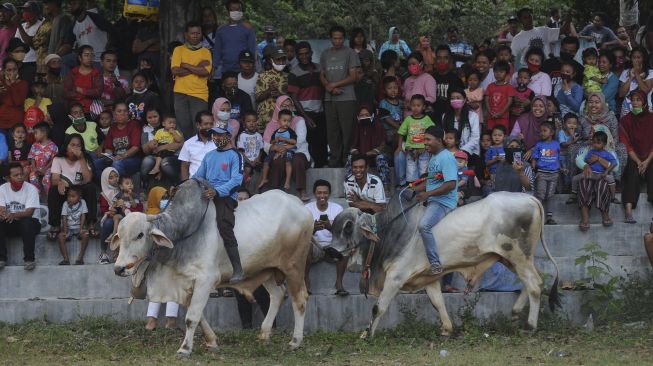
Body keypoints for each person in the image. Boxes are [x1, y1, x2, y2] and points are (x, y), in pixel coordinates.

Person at [194, 126, 245, 284]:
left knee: (224, 225)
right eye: (214, 135)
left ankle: (238, 268)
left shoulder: (235, 155)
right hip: (207, 194)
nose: (215, 137)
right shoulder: (209, 155)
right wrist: (183, 186)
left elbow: (236, 181)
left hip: (226, 196)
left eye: (219, 134)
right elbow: (197, 176)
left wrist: (217, 191)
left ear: (228, 136)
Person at [413, 126, 457, 274]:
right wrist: (412, 191)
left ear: (439, 140)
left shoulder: (447, 157)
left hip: (443, 202)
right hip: (433, 200)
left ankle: (435, 263)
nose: (425, 143)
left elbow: (451, 184)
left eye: (428, 140)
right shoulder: (433, 158)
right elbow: (430, 182)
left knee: (424, 225)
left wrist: (427, 194)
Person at [321, 26, 360, 167]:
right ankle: (334, 160)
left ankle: (346, 160)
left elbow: (354, 76)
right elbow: (322, 75)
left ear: (344, 39)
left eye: (340, 38)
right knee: (332, 131)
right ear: (331, 38)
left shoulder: (350, 53)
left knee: (347, 130)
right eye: (334, 38)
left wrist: (334, 85)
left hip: (347, 97)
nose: (337, 41)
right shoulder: (325, 54)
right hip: (329, 98)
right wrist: (328, 86)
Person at [47, 133, 96, 240]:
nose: (75, 148)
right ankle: (55, 226)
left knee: (91, 187)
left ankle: (91, 224)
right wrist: (59, 183)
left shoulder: (85, 158)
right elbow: (55, 178)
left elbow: (88, 179)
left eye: (78, 145)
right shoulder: (58, 159)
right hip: (66, 191)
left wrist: (81, 158)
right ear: (66, 146)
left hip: (80, 190)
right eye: (72, 145)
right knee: (53, 190)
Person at [261, 96, 311, 201]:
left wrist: (283, 148)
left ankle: (302, 190)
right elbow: (265, 143)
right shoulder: (271, 124)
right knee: (277, 160)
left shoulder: (298, 120)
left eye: (289, 105)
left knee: (297, 160)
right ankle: (274, 190)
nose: (287, 108)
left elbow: (300, 140)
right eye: (284, 106)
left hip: (297, 150)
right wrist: (275, 147)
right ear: (278, 107)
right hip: (279, 152)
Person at [288, 41, 327, 168]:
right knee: (309, 143)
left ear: (311, 53)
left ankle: (322, 168)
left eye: (306, 53)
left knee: (322, 142)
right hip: (305, 114)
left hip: (321, 112)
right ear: (297, 55)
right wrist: (305, 117)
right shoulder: (294, 73)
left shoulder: (320, 68)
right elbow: (294, 98)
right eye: (301, 54)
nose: (304, 56)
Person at [305, 180, 347, 295]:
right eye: (319, 193)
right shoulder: (307, 209)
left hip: (332, 247)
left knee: (345, 247)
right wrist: (313, 229)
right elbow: (302, 234)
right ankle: (306, 282)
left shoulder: (337, 208)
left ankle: (339, 284)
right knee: (305, 246)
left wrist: (330, 227)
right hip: (315, 246)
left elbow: (342, 234)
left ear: (329, 194)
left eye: (325, 193)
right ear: (314, 194)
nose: (322, 196)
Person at [171, 21, 212, 139]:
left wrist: (186, 65)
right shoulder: (178, 50)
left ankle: (198, 153)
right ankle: (184, 153)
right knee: (183, 125)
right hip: (180, 92)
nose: (195, 35)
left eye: (198, 33)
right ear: (186, 35)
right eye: (192, 33)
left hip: (199, 94)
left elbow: (205, 72)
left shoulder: (206, 52)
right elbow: (175, 71)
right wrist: (197, 66)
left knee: (200, 126)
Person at [620, 90, 653, 224]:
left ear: (644, 102)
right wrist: (639, 161)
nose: (635, 103)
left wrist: (646, 162)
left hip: (650, 156)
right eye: (633, 100)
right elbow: (626, 144)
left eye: (638, 100)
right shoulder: (625, 120)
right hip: (633, 156)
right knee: (632, 173)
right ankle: (628, 211)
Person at [0, 163, 40, 271]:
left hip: (31, 224)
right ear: (8, 178)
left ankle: (29, 259)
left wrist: (13, 214)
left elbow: (29, 212)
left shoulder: (31, 189)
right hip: (11, 223)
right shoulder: (2, 189)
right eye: (16, 175)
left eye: (21, 174)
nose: (20, 177)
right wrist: (4, 214)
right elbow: (1, 209)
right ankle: (1, 258)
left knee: (26, 222)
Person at [577, 131, 618, 231]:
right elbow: (580, 160)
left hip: (602, 176)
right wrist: (586, 165)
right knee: (583, 182)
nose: (595, 144)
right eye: (593, 141)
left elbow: (615, 167)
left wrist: (599, 159)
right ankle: (585, 216)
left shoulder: (610, 152)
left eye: (598, 142)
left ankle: (605, 213)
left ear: (604, 143)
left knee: (601, 185)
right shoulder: (588, 150)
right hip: (590, 174)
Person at [347, 104, 390, 188]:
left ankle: (386, 187)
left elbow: (383, 144)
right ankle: (350, 185)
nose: (364, 117)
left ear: (372, 115)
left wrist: (373, 151)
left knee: (381, 158)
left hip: (374, 155)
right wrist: (356, 152)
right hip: (360, 156)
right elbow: (352, 146)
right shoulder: (356, 127)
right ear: (357, 117)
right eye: (361, 115)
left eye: (367, 115)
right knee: (350, 158)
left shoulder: (377, 125)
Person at [397, 94, 435, 184]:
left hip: (424, 149)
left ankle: (423, 185)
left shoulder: (426, 119)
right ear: (410, 106)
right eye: (413, 105)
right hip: (411, 150)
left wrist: (426, 146)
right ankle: (412, 186)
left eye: (418, 106)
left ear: (423, 107)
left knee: (424, 167)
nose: (415, 108)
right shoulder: (408, 119)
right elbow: (401, 133)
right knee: (411, 169)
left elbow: (432, 132)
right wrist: (399, 147)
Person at [213, 0, 256, 79]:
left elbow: (252, 50)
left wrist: (252, 68)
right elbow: (217, 51)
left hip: (245, 71)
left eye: (238, 9)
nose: (236, 11)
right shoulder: (221, 30)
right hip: (226, 70)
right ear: (227, 12)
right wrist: (213, 68)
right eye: (233, 9)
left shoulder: (248, 28)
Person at [65, 0, 111, 70]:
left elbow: (111, 31)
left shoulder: (95, 17)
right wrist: (56, 55)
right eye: (70, 4)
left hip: (99, 59)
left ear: (83, 5)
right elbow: (68, 44)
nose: (71, 6)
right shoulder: (73, 24)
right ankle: (67, 80)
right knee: (63, 61)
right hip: (84, 59)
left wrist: (109, 49)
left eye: (74, 3)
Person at [98, 102, 141, 177]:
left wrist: (122, 156)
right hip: (115, 158)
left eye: (125, 111)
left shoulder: (134, 125)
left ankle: (121, 185)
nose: (123, 113)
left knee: (116, 163)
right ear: (114, 114)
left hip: (132, 159)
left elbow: (135, 147)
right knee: (96, 164)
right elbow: (108, 147)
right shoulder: (113, 128)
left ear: (128, 113)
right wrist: (108, 156)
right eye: (119, 111)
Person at [530, 121, 561, 225]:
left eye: (544, 131)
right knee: (540, 194)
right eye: (541, 131)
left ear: (551, 132)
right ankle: (537, 217)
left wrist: (562, 168)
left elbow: (559, 158)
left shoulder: (556, 144)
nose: (542, 133)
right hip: (541, 174)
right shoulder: (539, 145)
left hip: (554, 174)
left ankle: (549, 217)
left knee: (550, 195)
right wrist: (534, 166)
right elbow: (534, 158)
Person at [258, 109, 296, 191]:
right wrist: (276, 140)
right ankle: (264, 178)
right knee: (266, 160)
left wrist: (284, 139)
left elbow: (294, 142)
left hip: (288, 149)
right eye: (284, 120)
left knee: (288, 162)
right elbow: (271, 142)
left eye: (289, 121)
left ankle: (287, 181)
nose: (287, 123)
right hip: (276, 150)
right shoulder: (276, 132)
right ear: (279, 121)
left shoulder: (290, 131)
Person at [440, 88, 481, 161]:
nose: (455, 100)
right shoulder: (445, 116)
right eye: (452, 98)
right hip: (450, 153)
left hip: (470, 153)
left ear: (464, 100)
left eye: (458, 98)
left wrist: (462, 151)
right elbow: (444, 135)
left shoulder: (473, 116)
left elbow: (475, 138)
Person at [63, 45, 102, 115]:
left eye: (92, 55)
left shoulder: (96, 74)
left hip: (92, 111)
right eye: (86, 55)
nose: (90, 58)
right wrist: (86, 94)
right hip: (75, 110)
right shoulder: (72, 73)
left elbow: (98, 92)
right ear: (80, 58)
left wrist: (80, 90)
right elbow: (67, 92)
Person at [255, 47, 288, 131]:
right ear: (271, 60)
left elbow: (292, 98)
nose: (281, 62)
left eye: (283, 60)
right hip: (266, 118)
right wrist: (269, 91)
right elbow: (257, 98)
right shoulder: (262, 76)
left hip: (284, 119)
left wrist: (279, 95)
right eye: (278, 60)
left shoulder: (289, 77)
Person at [56, 186, 89, 265]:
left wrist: (81, 228)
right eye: (69, 196)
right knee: (60, 236)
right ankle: (66, 259)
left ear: (79, 198)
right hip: (69, 228)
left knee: (86, 235)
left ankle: (80, 258)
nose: (70, 198)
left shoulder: (83, 202)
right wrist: (65, 231)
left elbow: (83, 215)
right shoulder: (65, 204)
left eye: (73, 196)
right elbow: (64, 217)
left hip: (78, 227)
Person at [179, 111, 215, 182]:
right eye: (206, 124)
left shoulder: (218, 142)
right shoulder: (188, 144)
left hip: (215, 183)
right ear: (198, 125)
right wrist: (186, 185)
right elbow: (184, 166)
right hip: (195, 184)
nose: (209, 126)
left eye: (211, 124)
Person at [104, 175, 142, 244]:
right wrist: (114, 207)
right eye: (127, 183)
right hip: (123, 216)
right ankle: (114, 233)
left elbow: (134, 205)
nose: (130, 185)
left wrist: (130, 196)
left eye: (131, 183)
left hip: (132, 216)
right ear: (121, 186)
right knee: (116, 216)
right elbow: (114, 205)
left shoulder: (135, 195)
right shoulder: (119, 196)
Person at [618, 47, 653, 117]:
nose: (636, 60)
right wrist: (630, 77)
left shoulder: (650, 72)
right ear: (631, 59)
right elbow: (621, 94)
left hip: (645, 108)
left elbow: (645, 91)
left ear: (644, 59)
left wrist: (636, 74)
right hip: (627, 108)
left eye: (639, 57)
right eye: (634, 57)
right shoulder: (625, 72)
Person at [14, 1, 44, 82]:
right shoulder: (23, 25)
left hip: (33, 63)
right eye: (24, 11)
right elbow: (16, 43)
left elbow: (31, 42)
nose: (25, 13)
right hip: (20, 63)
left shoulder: (42, 25)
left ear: (36, 13)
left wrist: (19, 26)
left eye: (28, 10)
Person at [433, 45, 465, 118]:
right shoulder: (430, 78)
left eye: (445, 58)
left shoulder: (456, 79)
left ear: (450, 59)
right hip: (432, 120)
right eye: (439, 58)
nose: (442, 61)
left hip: (450, 119)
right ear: (435, 60)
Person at [28, 122, 57, 195]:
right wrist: (34, 168)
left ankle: (49, 196)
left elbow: (54, 159)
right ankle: (37, 194)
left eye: (36, 133)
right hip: (36, 167)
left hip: (48, 168)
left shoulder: (53, 146)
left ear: (44, 133)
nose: (34, 136)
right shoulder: (34, 145)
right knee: (32, 176)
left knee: (46, 179)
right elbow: (32, 158)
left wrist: (45, 168)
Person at [485, 60, 514, 130]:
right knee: (490, 134)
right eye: (496, 71)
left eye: (501, 72)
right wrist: (490, 112)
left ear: (507, 74)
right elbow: (486, 100)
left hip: (503, 117)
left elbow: (509, 102)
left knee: (502, 135)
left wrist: (501, 113)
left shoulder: (509, 87)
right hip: (491, 117)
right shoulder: (490, 86)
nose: (498, 74)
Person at [0, 58, 28, 130]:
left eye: (14, 69)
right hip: (2, 118)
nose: (12, 73)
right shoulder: (1, 83)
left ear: (18, 70)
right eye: (9, 70)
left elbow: (18, 102)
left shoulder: (23, 84)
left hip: (16, 120)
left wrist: (12, 84)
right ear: (4, 71)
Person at [98, 167, 118, 264]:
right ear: (105, 180)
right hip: (109, 217)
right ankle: (103, 253)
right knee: (108, 224)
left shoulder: (122, 189)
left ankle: (118, 254)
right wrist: (111, 211)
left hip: (121, 216)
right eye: (111, 177)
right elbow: (103, 210)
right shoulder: (104, 194)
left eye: (116, 176)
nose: (115, 179)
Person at [236, 111, 263, 184]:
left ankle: (256, 190)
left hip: (256, 160)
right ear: (244, 123)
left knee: (261, 171)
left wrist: (257, 159)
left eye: (254, 121)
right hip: (246, 161)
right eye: (248, 121)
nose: (251, 123)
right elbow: (241, 152)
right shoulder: (242, 136)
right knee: (247, 170)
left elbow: (261, 150)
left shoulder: (259, 135)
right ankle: (244, 188)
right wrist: (249, 162)